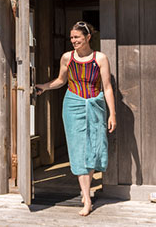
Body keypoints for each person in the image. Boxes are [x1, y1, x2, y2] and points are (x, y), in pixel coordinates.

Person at [34, 21, 116, 216]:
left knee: (93, 148)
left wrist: (112, 114)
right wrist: (44, 87)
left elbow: (107, 87)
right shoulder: (67, 58)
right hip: (73, 105)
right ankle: (87, 199)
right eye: (72, 37)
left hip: (95, 106)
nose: (73, 41)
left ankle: (85, 192)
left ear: (88, 37)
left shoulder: (100, 58)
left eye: (77, 37)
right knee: (79, 149)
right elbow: (61, 81)